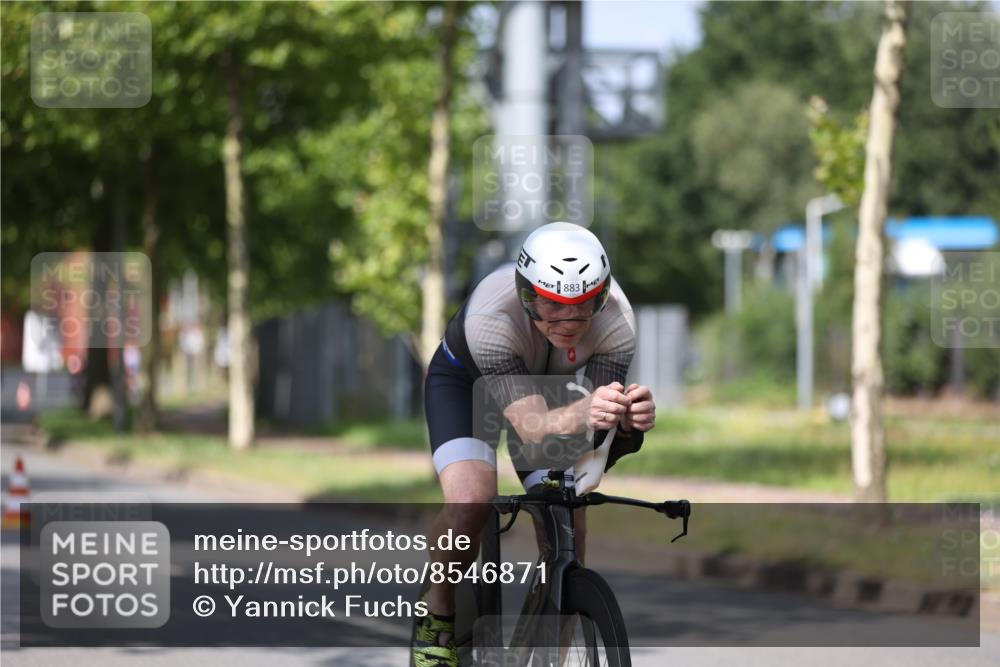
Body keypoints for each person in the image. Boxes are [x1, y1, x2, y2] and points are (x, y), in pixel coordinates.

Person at [412, 222, 656, 667]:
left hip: (555, 391)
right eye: (552, 305)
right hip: (469, 386)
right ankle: (439, 611)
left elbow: (594, 445)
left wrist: (627, 426)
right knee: (471, 502)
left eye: (585, 306)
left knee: (567, 521)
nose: (569, 321)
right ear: (527, 295)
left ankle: (551, 657)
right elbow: (532, 427)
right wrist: (587, 413)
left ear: (602, 295)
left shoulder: (617, 320)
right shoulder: (492, 319)